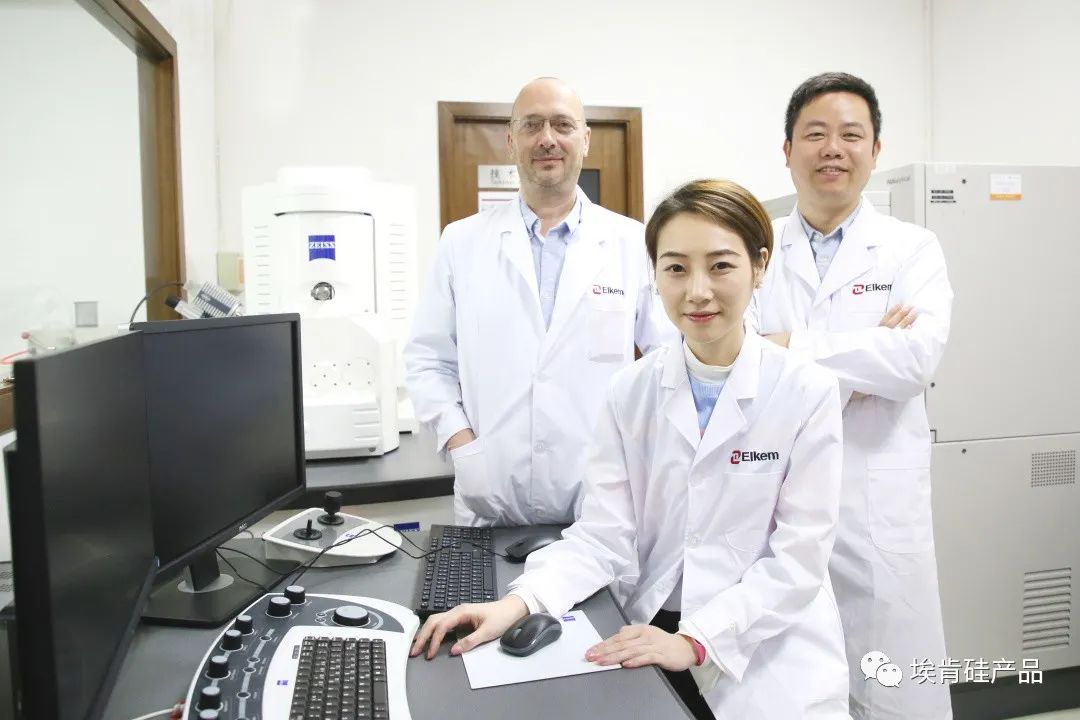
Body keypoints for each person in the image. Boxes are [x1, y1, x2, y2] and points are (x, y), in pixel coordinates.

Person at [411, 179, 851, 719]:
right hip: (653, 627)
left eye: (720, 265)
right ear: (654, 275)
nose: (697, 291)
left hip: (768, 649)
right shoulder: (631, 391)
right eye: (676, 268)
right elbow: (603, 535)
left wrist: (696, 641)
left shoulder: (806, 391)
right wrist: (518, 603)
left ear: (760, 266)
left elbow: (798, 560)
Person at [748, 72, 954, 719]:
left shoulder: (912, 249)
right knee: (792, 691)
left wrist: (789, 346)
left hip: (876, 505)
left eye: (850, 135)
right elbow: (738, 368)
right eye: (815, 134)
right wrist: (862, 357)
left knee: (896, 689)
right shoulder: (752, 248)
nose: (833, 148)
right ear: (788, 150)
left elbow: (914, 361)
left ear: (875, 150)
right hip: (775, 506)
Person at [404, 77, 675, 526]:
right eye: (531, 125)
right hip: (489, 498)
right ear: (511, 142)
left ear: (585, 139)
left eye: (562, 125)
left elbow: (669, 360)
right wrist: (461, 444)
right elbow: (427, 360)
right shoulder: (462, 242)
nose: (547, 139)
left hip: (600, 500)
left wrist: (639, 448)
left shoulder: (632, 242)